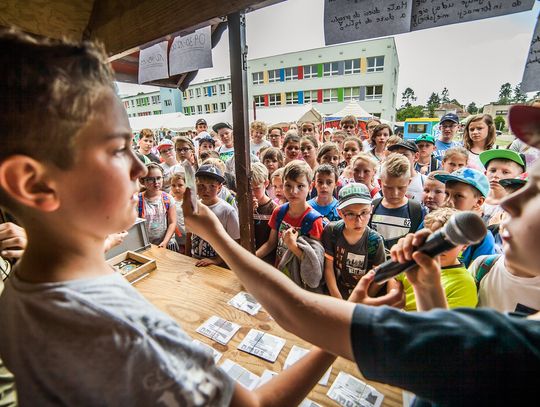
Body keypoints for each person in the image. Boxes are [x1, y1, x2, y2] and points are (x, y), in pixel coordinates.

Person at [0, 29, 356, 407]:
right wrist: (336, 342)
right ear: (34, 184)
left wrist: (216, 236)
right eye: (119, 149)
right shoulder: (125, 333)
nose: (140, 166)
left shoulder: (21, 291)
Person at [393, 207, 477, 311]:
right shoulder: (414, 261)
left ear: (465, 245)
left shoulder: (464, 284)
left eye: (450, 242)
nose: (441, 247)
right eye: (433, 239)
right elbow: (394, 280)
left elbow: (447, 325)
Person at [256, 161, 324, 274]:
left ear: (310, 186)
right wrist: (252, 257)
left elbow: (314, 262)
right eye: (288, 186)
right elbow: (271, 243)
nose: (293, 191)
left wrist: (293, 246)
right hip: (280, 272)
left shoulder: (314, 220)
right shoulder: (278, 212)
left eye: (300, 186)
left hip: (300, 279)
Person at [322, 183, 386, 299]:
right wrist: (338, 300)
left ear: (371, 210)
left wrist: (362, 300)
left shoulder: (375, 241)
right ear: (340, 213)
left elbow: (378, 278)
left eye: (364, 212)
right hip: (337, 293)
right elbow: (328, 268)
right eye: (351, 214)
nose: (359, 221)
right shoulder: (332, 231)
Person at [434, 168, 497, 267]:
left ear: (479, 202)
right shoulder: (432, 222)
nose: (448, 201)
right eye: (446, 194)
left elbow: (477, 276)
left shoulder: (482, 238)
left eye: (458, 196)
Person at [369, 153, 424, 250]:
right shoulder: (373, 206)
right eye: (388, 188)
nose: (395, 193)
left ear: (409, 182)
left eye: (401, 188)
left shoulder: (417, 210)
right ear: (380, 182)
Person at [137, 163, 179, 251]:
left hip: (167, 244)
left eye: (159, 178)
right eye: (150, 179)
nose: (156, 182)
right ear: (142, 181)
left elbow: (172, 223)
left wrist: (165, 242)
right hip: (146, 246)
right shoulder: (137, 200)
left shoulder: (167, 198)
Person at [479, 149, 526, 225]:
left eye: (505, 172)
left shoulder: (516, 207)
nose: (496, 175)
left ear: (520, 177)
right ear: (485, 173)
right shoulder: (476, 198)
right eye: (493, 170)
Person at [251, 162, 277, 265]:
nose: (252, 193)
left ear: (266, 183)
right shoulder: (243, 206)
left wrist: (252, 258)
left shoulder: (274, 209)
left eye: (256, 188)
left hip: (267, 262)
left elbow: (271, 243)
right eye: (249, 188)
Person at [169, 172, 187, 254]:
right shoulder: (170, 202)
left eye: (180, 185)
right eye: (173, 185)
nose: (176, 188)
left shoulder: (191, 201)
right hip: (176, 240)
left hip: (189, 239)